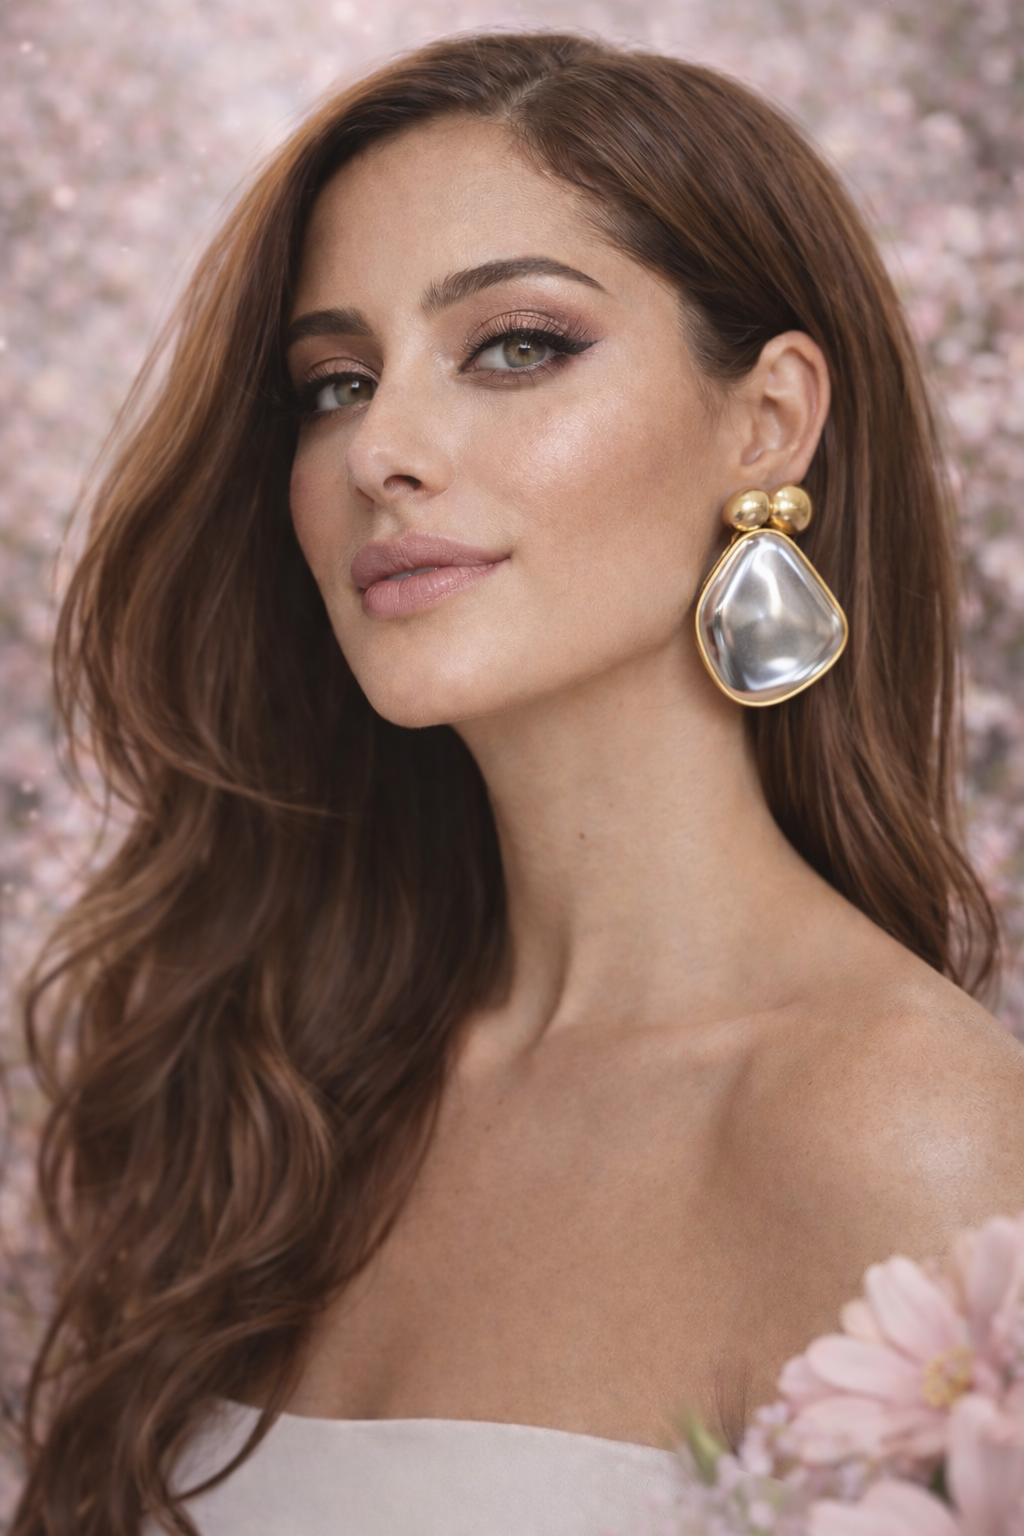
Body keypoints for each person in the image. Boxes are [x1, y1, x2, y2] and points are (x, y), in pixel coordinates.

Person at [12, 30, 1024, 1536]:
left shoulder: (904, 1139)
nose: (381, 449)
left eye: (518, 346)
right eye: (334, 382)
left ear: (767, 422)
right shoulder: (280, 1084)